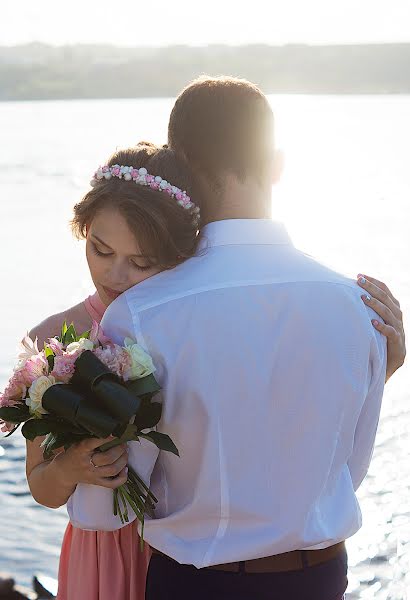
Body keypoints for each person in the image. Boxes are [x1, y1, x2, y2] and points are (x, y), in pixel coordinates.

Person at [67, 77, 406, 600]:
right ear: (277, 164)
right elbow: (346, 476)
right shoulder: (359, 307)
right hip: (319, 579)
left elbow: (107, 507)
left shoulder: (142, 313)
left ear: (181, 165)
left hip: (196, 584)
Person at [25, 142, 201, 600]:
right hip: (99, 553)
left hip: (188, 546)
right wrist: (71, 465)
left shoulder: (195, 330)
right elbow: (42, 487)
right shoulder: (53, 337)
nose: (116, 275)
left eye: (141, 262)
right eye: (100, 250)